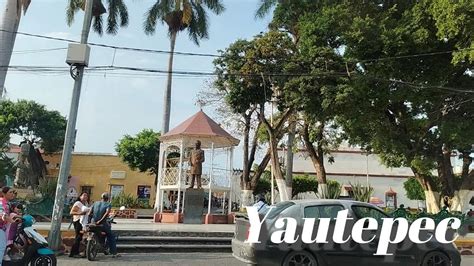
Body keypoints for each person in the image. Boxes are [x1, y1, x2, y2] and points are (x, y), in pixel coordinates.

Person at [89, 192, 119, 258]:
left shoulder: (95, 203)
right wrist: (100, 220)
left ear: (101, 197)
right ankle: (114, 253)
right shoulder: (108, 204)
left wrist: (92, 219)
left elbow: (89, 213)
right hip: (102, 224)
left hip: (93, 223)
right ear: (108, 198)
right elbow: (106, 213)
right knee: (111, 235)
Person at [69, 192, 90, 258]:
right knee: (78, 237)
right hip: (77, 221)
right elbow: (71, 212)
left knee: (79, 237)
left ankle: (75, 252)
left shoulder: (86, 204)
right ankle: (73, 253)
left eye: (86, 195)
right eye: (84, 195)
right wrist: (80, 213)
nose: (85, 197)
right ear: (80, 196)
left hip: (83, 222)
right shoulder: (78, 203)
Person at [0, 187, 18, 262]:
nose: (12, 194)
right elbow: (2, 213)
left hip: (3, 228)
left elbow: (12, 213)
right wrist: (8, 219)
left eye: (13, 192)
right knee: (1, 248)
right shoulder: (1, 202)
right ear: (4, 193)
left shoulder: (8, 203)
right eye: (10, 192)